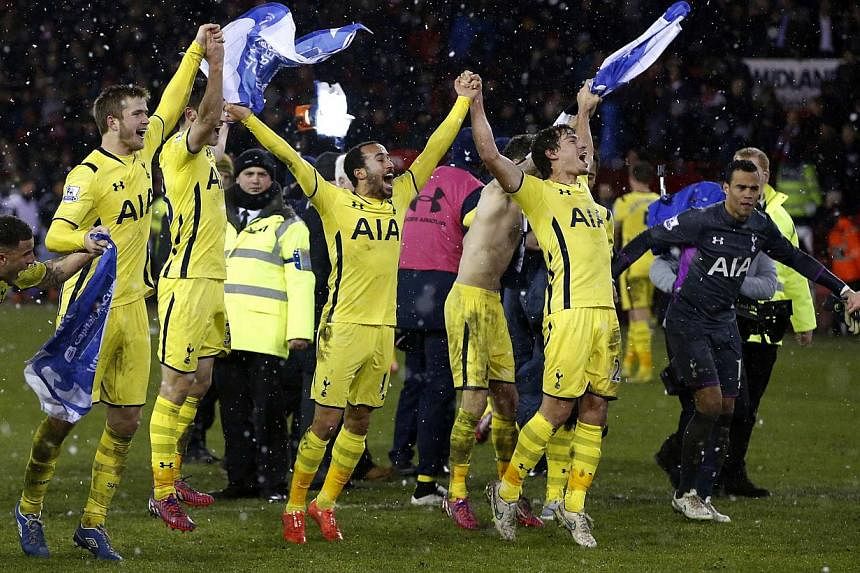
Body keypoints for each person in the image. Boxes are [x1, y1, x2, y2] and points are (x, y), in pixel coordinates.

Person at [224, 69, 479, 544]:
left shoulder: (401, 197)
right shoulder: (335, 202)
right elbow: (285, 153)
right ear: (360, 171)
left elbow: (436, 147)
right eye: (381, 158)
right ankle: (296, 505)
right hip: (342, 327)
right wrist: (248, 120)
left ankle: (326, 504)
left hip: (383, 331)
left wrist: (462, 101)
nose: (392, 163)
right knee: (324, 421)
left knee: (360, 420)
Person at [13, 24, 223, 561]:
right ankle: (30, 507)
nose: (147, 119)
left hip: (134, 308)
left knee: (127, 421)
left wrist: (197, 49)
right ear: (113, 122)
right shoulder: (89, 174)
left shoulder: (145, 149)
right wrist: (86, 238)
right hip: (89, 310)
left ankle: (92, 523)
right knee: (63, 420)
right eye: (137, 113)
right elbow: (56, 233)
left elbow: (176, 100)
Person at [613, 159, 860, 523]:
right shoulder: (701, 219)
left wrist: (844, 289)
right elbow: (651, 238)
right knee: (710, 404)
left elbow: (795, 258)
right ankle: (686, 492)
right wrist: (608, 276)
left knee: (730, 410)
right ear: (725, 188)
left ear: (761, 190)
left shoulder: (761, 226)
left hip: (724, 322)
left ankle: (703, 492)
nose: (747, 195)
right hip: (688, 320)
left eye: (753, 188)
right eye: (740, 187)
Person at [473, 80, 618, 548]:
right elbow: (492, 155)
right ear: (552, 155)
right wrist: (475, 103)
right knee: (556, 409)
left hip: (606, 316)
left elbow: (588, 155)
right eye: (574, 144)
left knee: (596, 411)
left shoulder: (589, 199)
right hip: (571, 313)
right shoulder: (538, 194)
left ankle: (575, 508)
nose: (583, 149)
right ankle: (508, 489)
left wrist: (582, 112)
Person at [439, 134, 543, 531]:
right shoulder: (498, 189)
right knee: (471, 403)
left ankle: (506, 493)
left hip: (492, 304)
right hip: (467, 303)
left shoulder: (520, 205)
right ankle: (457, 493)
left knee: (507, 402)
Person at [147, 31, 226, 532]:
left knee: (200, 381)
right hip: (186, 281)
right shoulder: (178, 150)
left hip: (212, 282)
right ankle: (160, 493)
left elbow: (219, 126)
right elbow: (210, 116)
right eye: (206, 121)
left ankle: (172, 476)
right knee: (175, 386)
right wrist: (213, 66)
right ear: (190, 121)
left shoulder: (207, 162)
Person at [210, 148, 315, 501]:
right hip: (225, 334)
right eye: (249, 173)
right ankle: (240, 480)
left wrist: (299, 331)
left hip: (268, 336)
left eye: (262, 175)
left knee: (269, 414)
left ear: (273, 181)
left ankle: (274, 483)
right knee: (233, 413)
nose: (255, 181)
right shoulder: (217, 218)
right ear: (236, 177)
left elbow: (302, 279)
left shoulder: (289, 224)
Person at [721, 147, 818, 497]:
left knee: (748, 405)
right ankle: (708, 467)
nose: (749, 180)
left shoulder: (778, 217)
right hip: (731, 318)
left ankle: (730, 471)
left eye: (755, 173)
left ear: (765, 176)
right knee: (730, 401)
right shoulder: (729, 212)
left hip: (767, 322)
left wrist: (803, 320)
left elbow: (794, 272)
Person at [393, 136, 484, 506]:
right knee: (441, 389)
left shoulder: (419, 180)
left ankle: (401, 454)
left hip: (403, 289)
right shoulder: (470, 186)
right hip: (442, 291)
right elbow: (481, 237)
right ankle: (427, 479)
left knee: (415, 382)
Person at [613, 161, 658, 383]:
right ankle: (630, 364)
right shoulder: (659, 201)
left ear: (632, 179)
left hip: (632, 264)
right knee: (639, 315)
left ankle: (646, 367)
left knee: (637, 315)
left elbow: (614, 231)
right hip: (654, 264)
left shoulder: (623, 202)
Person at [1, 215, 106, 306]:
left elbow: (51, 273)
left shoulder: (16, 270)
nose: (32, 259)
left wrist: (92, 250)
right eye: (26, 254)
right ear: (2, 259)